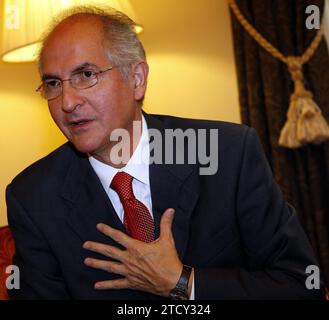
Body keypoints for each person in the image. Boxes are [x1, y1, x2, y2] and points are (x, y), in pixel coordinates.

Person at [6, 6, 324, 300]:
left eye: (86, 75)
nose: (67, 102)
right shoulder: (33, 196)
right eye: (52, 83)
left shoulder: (227, 154)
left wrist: (182, 282)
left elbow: (301, 285)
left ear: (137, 80)